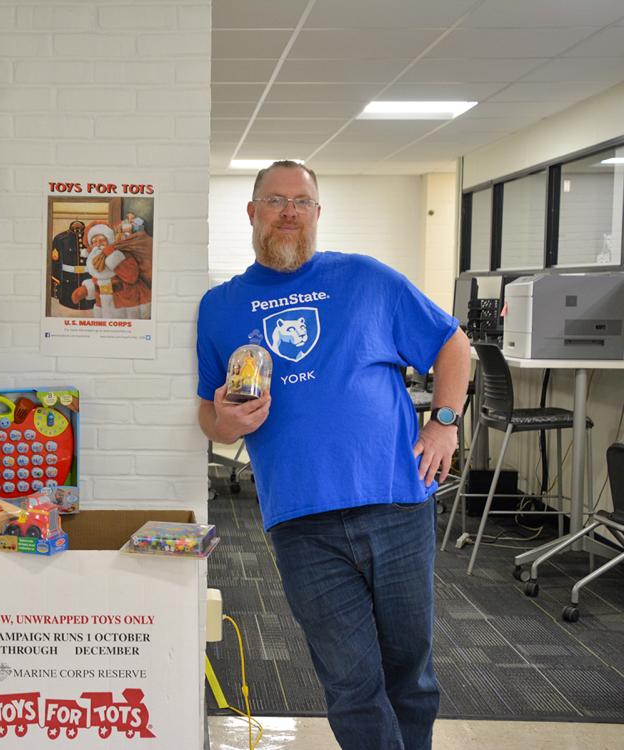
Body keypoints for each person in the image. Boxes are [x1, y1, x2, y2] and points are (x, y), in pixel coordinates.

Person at [196, 160, 470, 750]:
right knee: (350, 682)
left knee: (412, 675)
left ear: (317, 214)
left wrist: (444, 423)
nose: (288, 212)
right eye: (275, 201)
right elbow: (206, 413)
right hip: (300, 522)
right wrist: (222, 421)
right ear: (252, 213)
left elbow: (453, 344)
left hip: (398, 506)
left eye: (301, 202)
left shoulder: (367, 279)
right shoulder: (219, 307)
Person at [70, 222, 151, 319]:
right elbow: (98, 280)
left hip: (127, 303)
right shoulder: (95, 259)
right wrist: (86, 289)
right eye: (94, 242)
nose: (98, 245)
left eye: (102, 240)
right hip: (103, 305)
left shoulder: (122, 255)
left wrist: (111, 255)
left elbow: (131, 277)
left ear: (109, 240)